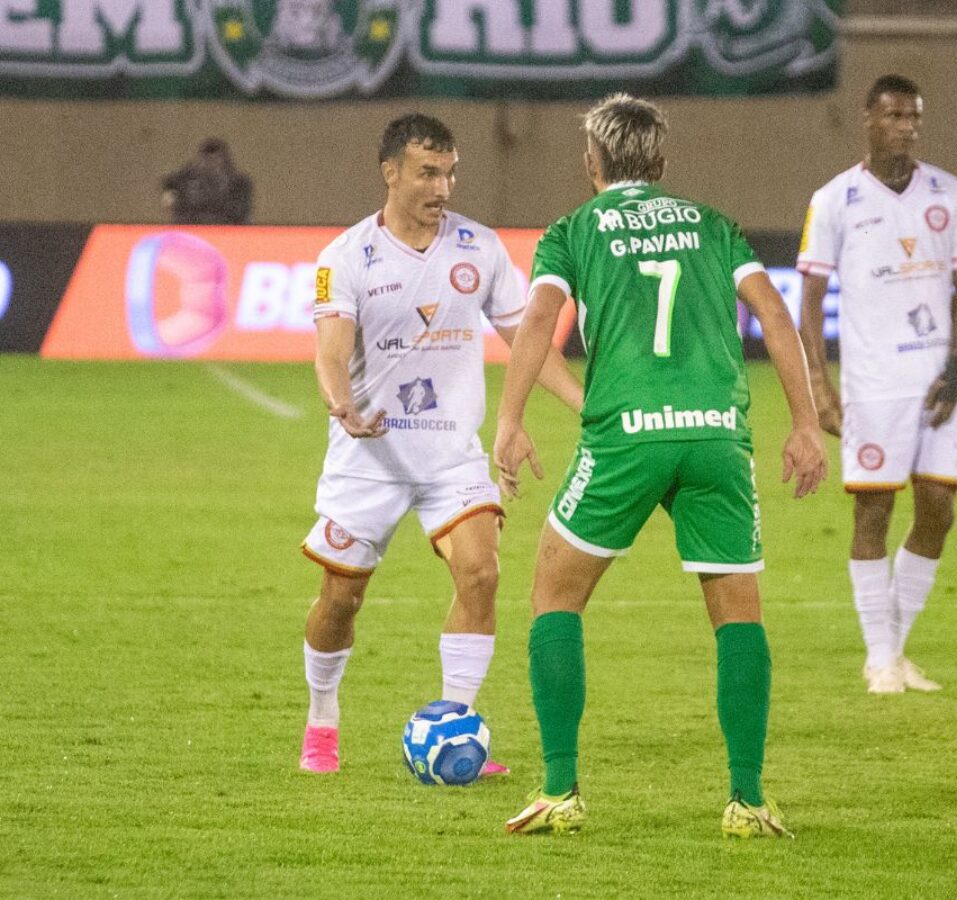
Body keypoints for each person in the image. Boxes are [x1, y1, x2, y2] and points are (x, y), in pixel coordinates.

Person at [493, 94, 828, 837]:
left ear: (592, 163)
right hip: (715, 433)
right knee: (738, 613)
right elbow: (775, 314)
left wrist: (511, 420)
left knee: (554, 594)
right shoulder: (714, 225)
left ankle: (560, 790)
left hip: (628, 433)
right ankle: (746, 799)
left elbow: (540, 320)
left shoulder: (572, 231)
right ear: (663, 163)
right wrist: (804, 424)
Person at [297, 114, 582, 774]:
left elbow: (529, 343)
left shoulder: (478, 250)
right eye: (428, 172)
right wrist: (341, 404)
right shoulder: (344, 258)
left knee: (480, 573)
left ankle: (457, 728)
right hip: (370, 457)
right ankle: (322, 717)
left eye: (450, 172)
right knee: (341, 601)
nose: (442, 186)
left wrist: (587, 408)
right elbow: (331, 351)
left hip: (451, 454)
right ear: (390, 171)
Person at [796, 74, 957, 695]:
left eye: (914, 117)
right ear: (868, 120)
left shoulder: (949, 194)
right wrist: (821, 391)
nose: (906, 127)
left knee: (940, 509)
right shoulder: (833, 200)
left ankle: (894, 651)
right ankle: (880, 657)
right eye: (895, 116)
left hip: (938, 381)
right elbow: (811, 302)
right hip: (873, 384)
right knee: (873, 509)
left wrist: (956, 370)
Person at [160, 138, 254, 225]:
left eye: (216, 159)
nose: (211, 164)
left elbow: (241, 214)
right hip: (191, 229)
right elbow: (169, 185)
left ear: (224, 161)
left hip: (226, 230)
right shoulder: (185, 179)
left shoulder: (239, 184)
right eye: (207, 159)